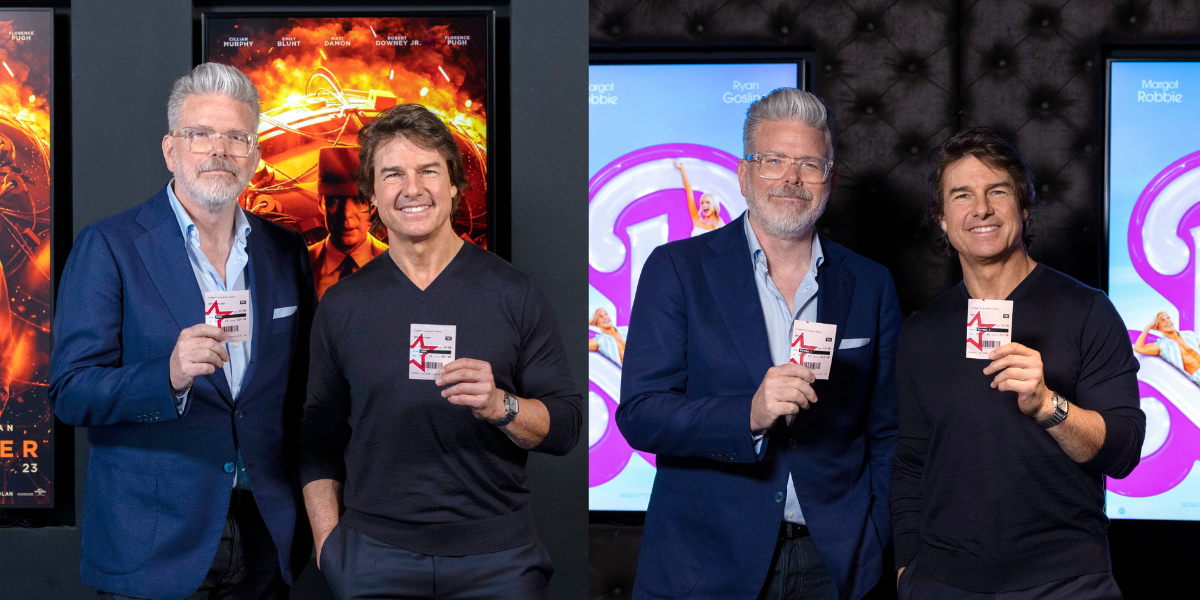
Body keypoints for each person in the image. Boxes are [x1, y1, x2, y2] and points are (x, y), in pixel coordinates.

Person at [618, 88, 901, 600]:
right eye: (774, 161)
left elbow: (888, 432)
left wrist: (876, 536)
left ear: (829, 181)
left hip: (835, 564)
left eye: (809, 164)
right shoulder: (677, 269)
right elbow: (640, 414)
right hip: (705, 563)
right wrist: (747, 414)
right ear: (745, 175)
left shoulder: (871, 283)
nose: (792, 178)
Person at [48, 63, 316, 599]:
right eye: (200, 135)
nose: (218, 150)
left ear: (255, 156)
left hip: (266, 534)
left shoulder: (286, 253)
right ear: (171, 150)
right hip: (155, 543)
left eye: (236, 137)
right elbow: (71, 393)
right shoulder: (110, 246)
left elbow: (302, 391)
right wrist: (167, 375)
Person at [300, 103, 581, 600]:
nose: (412, 188)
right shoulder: (342, 304)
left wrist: (501, 406)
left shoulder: (514, 293)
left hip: (499, 562)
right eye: (393, 174)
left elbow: (564, 427)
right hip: (372, 560)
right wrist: (329, 545)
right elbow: (318, 433)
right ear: (372, 195)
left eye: (429, 169)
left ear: (454, 184)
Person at [892, 128, 1145, 599]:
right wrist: (908, 568)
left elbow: (1125, 451)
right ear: (942, 219)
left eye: (998, 192)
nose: (981, 209)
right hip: (945, 582)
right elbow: (910, 462)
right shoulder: (922, 332)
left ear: (1024, 208)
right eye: (961, 195)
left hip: (1066, 580)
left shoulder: (1087, 311)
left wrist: (1050, 405)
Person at [307, 146, 388, 299]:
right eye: (335, 200)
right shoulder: (300, 265)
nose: (346, 214)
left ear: (374, 204)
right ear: (320, 203)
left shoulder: (396, 264)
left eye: (359, 200)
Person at [1134, 311, 1200, 384]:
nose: (1167, 321)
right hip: (1196, 377)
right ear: (1158, 326)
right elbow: (1138, 348)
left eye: (1168, 318)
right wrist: (1148, 327)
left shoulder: (1189, 334)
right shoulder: (1162, 345)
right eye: (1162, 320)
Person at [675, 159, 725, 236]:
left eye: (708, 202)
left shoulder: (719, 223)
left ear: (714, 206)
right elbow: (689, 193)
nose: (704, 205)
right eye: (702, 203)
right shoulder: (697, 219)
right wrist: (682, 170)